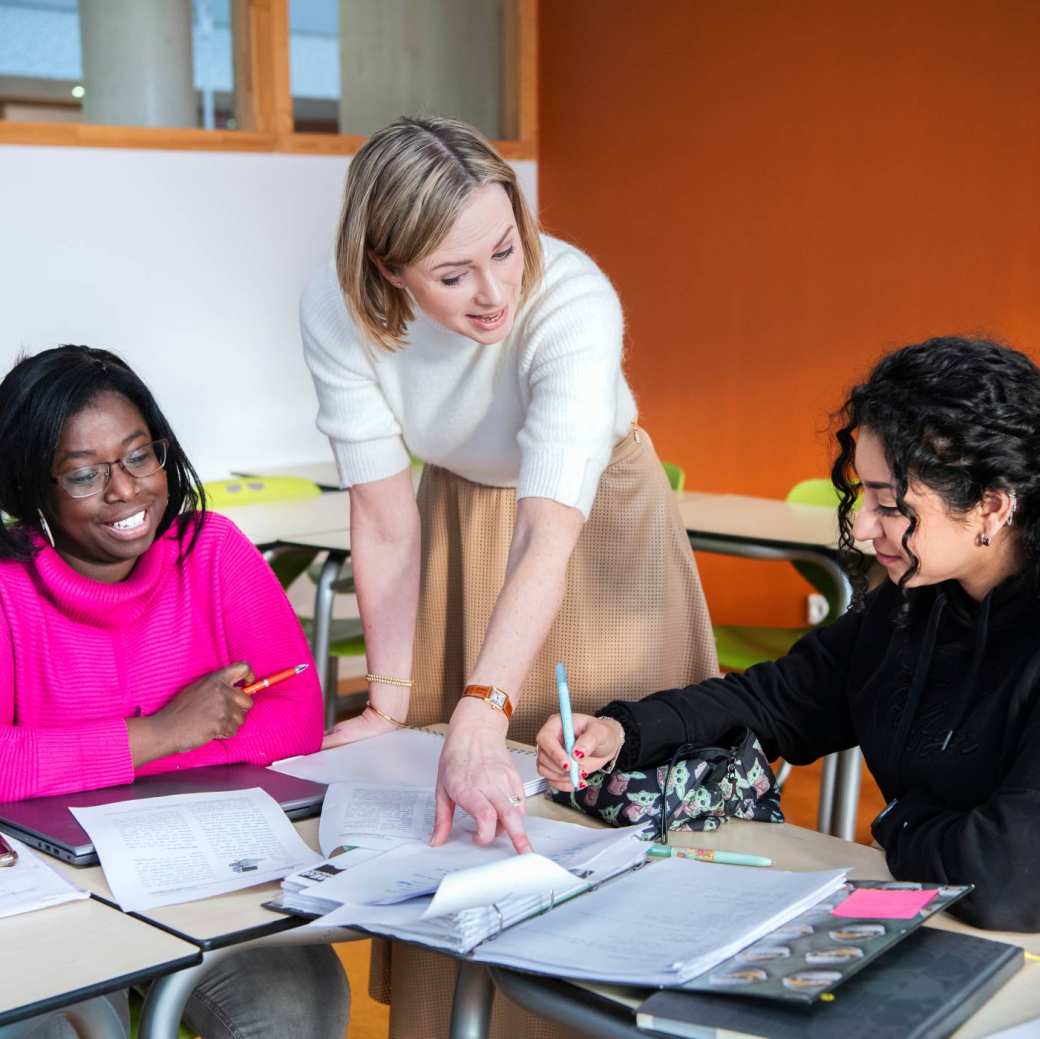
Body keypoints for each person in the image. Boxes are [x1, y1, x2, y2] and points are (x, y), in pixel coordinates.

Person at [300, 115, 718, 1038]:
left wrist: (482, 707)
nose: (495, 292)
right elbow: (383, 518)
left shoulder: (570, 295)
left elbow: (546, 533)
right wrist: (391, 698)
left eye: (505, 249)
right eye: (453, 275)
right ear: (385, 270)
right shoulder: (338, 310)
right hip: (457, 505)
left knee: (598, 783)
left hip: (592, 520)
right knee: (453, 793)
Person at [538, 335, 1040, 932]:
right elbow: (777, 699)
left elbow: (1006, 877)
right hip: (937, 920)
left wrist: (895, 822)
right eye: (863, 496)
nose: (860, 527)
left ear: (990, 507)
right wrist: (625, 730)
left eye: (889, 504)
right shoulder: (918, 603)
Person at [0, 345, 350, 1039]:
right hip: (56, 895)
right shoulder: (9, 591)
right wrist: (168, 732)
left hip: (209, 876)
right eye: (81, 474)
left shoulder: (214, 551)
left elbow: (297, 718)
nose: (125, 491)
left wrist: (70, 764)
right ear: (31, 488)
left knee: (299, 1013)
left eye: (138, 455)